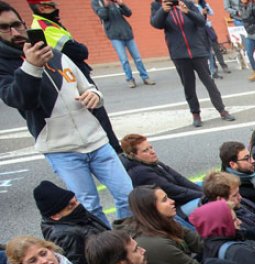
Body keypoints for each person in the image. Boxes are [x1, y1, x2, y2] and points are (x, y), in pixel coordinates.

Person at [0, 1, 132, 225]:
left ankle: (131, 244)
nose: (15, 32)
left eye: (17, 25)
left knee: (128, 196)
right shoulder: (5, 65)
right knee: (89, 207)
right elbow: (21, 100)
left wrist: (94, 96)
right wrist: (32, 66)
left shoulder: (55, 54)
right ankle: (109, 251)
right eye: (5, 28)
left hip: (97, 140)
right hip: (62, 150)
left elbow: (87, 86)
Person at [150, 0, 236, 128]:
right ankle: (195, 114)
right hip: (179, 54)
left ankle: (222, 110)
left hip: (197, 51)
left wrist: (187, 12)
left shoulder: (187, 4)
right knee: (188, 86)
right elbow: (156, 24)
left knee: (209, 83)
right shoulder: (157, 6)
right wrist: (163, 11)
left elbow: (201, 22)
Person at [118, 185, 203, 264]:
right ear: (151, 209)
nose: (172, 201)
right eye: (164, 200)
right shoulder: (154, 243)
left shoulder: (161, 222)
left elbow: (199, 242)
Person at [33, 180, 110, 264]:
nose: (78, 205)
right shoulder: (64, 235)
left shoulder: (77, 217)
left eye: (76, 201)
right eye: (70, 206)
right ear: (55, 216)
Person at [120, 134, 204, 210]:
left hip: (177, 199)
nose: (152, 152)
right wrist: (205, 196)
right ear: (133, 155)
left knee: (208, 184)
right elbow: (174, 191)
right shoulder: (140, 173)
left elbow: (180, 179)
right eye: (145, 150)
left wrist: (205, 191)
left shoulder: (149, 161)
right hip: (173, 209)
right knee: (209, 202)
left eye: (151, 147)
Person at [91, 0, 154, 87]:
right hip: (114, 36)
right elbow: (103, 16)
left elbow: (128, 13)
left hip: (127, 33)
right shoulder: (96, 2)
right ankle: (130, 79)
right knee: (124, 60)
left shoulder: (115, 2)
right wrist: (106, 5)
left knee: (138, 58)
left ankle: (145, 77)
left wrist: (121, 4)